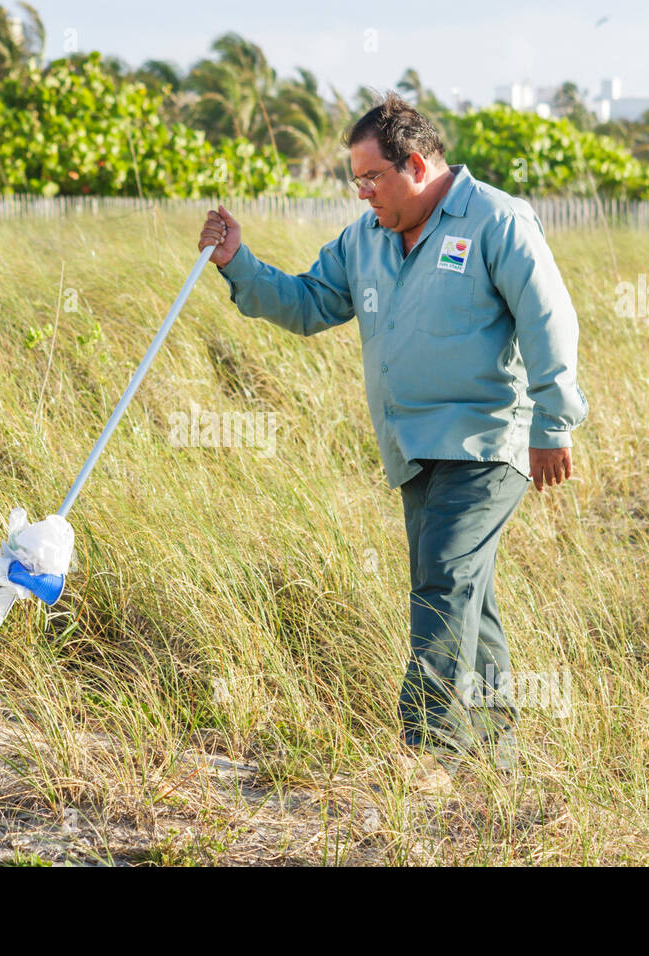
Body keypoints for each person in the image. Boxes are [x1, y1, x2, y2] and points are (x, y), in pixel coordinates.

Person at [197, 91, 589, 791]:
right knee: (468, 594)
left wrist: (554, 423)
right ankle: (497, 757)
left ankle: (428, 753)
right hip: (412, 450)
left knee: (442, 585)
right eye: (356, 181)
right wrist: (238, 263)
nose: (362, 193)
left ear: (415, 164)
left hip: (486, 444)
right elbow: (310, 302)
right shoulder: (365, 240)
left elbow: (547, 318)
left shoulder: (497, 219)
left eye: (371, 178)